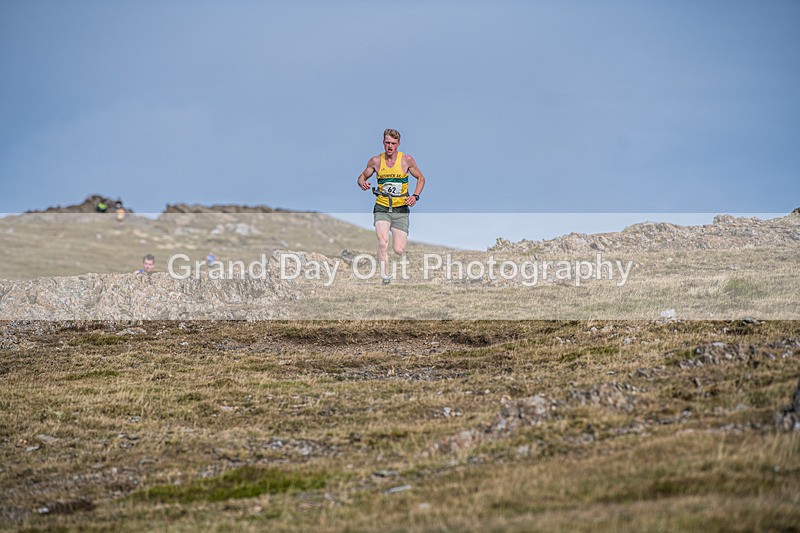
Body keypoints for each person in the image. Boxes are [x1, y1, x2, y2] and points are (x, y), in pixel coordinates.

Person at [356, 129, 426, 284]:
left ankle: (389, 264)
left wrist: (415, 196)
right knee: (382, 242)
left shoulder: (406, 160)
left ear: (398, 144)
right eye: (387, 143)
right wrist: (362, 183)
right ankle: (385, 276)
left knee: (398, 250)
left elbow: (421, 178)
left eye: (393, 144)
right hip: (382, 207)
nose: (390, 146)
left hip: (400, 209)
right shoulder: (375, 161)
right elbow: (361, 177)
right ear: (383, 143)